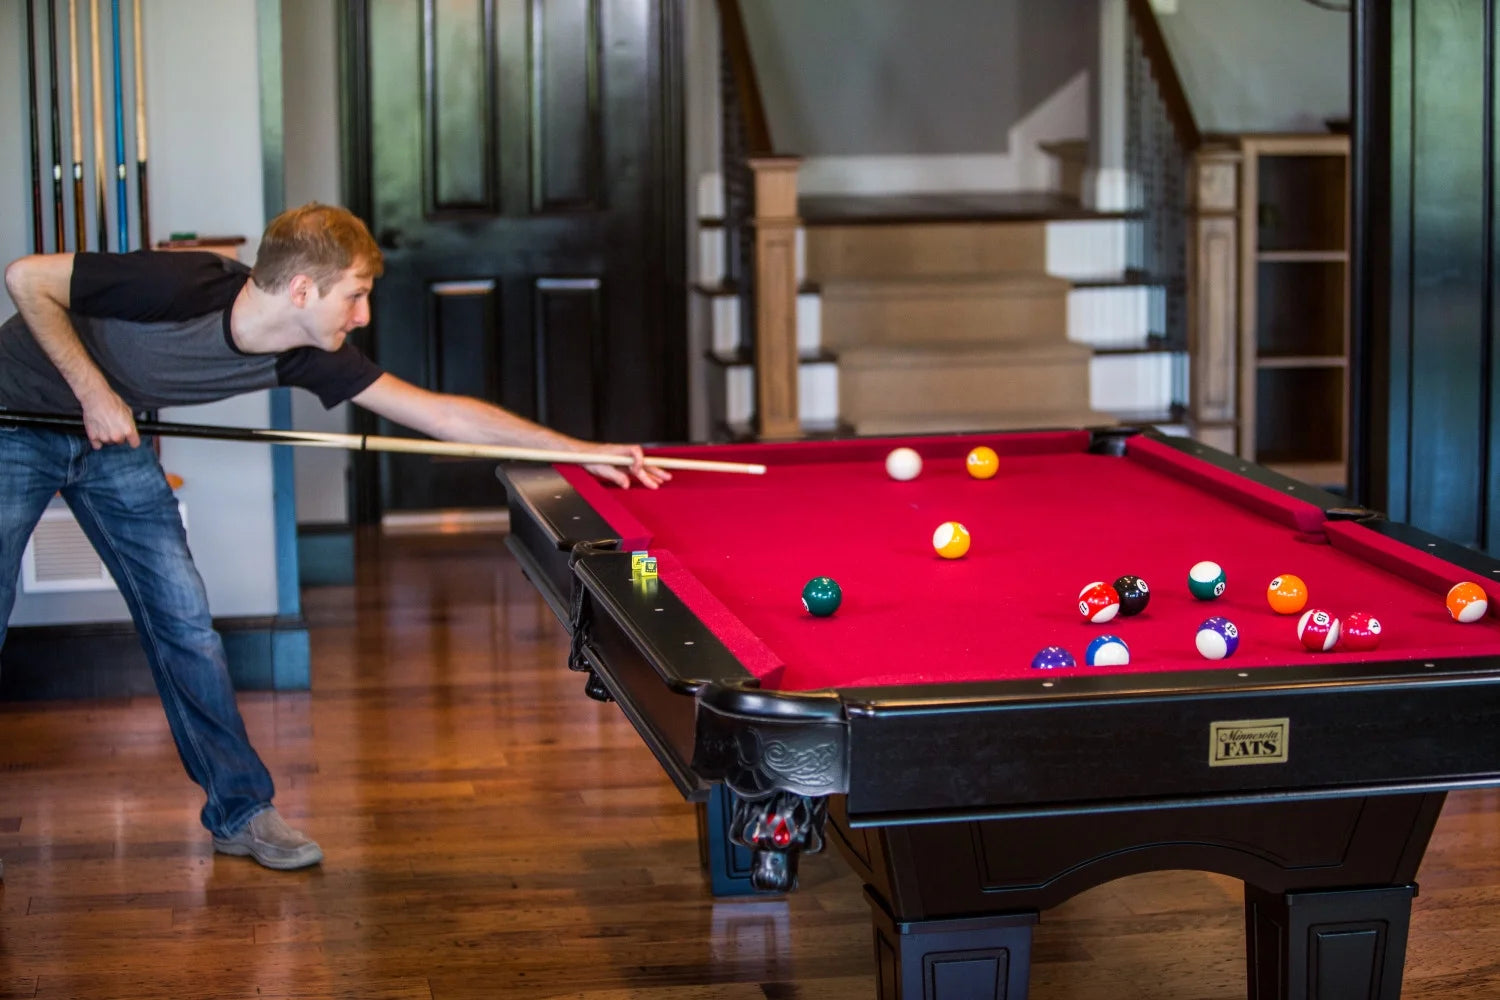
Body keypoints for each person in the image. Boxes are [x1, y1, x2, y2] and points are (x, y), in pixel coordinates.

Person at [0, 202, 669, 871]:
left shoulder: (305, 355)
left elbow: (439, 415)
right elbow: (28, 277)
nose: (363, 316)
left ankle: (241, 813)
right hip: (17, 421)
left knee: (187, 626)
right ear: (301, 291)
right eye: (355, 295)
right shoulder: (179, 284)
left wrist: (580, 451)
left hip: (111, 443)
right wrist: (94, 393)